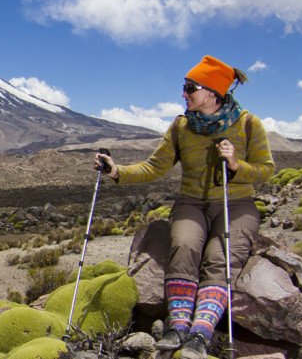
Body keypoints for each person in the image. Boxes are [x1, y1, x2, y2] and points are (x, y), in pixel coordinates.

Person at [95, 55, 274, 359]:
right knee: (185, 247)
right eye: (184, 87)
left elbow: (266, 169)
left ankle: (201, 334)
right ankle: (177, 326)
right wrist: (116, 171)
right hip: (191, 203)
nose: (184, 93)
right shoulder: (181, 126)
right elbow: (155, 167)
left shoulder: (248, 124)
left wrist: (234, 164)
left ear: (211, 93)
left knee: (220, 258)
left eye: (190, 87)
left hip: (237, 205)